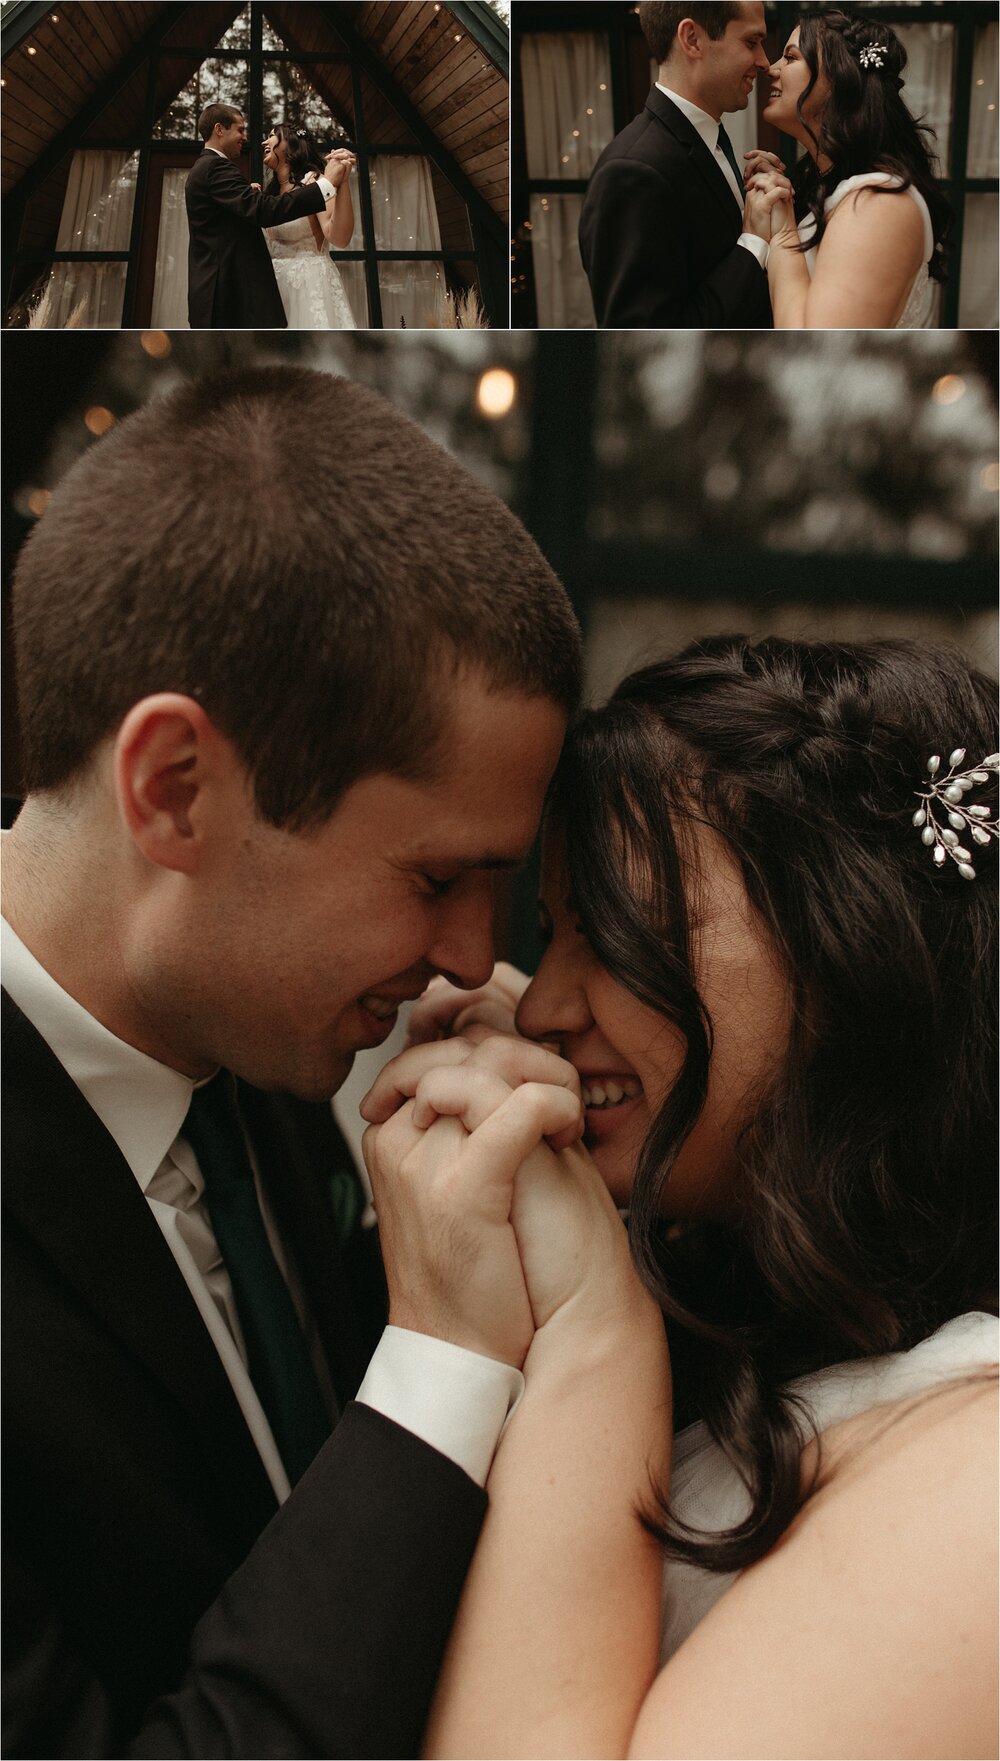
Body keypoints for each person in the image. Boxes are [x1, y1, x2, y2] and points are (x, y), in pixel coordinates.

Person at [1, 363, 588, 1757]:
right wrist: (442, 1356)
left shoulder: (254, 1064)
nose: (470, 956)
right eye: (440, 874)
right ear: (174, 789)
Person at [363, 636, 999, 1758]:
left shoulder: (979, 1483)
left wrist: (592, 1315)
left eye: (613, 930)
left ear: (852, 947)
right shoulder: (744, 1327)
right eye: (553, 932)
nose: (543, 1002)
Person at [744, 9, 951, 327]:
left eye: (790, 57)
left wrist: (783, 226)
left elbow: (814, 345)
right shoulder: (825, 185)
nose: (772, 69)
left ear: (838, 78)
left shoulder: (881, 200)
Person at [578, 3, 775, 329]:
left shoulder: (704, 140)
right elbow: (645, 336)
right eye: (751, 42)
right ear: (693, 39)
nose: (764, 61)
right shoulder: (633, 173)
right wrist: (754, 242)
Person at [184, 104, 341, 328]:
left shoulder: (208, 168)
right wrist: (325, 186)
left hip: (231, 292)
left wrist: (245, 199)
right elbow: (264, 211)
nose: (245, 137)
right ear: (219, 129)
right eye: (240, 130)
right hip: (223, 295)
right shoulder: (215, 168)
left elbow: (235, 222)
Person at [263, 124, 358, 330]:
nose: (264, 142)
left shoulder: (314, 183)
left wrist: (342, 184)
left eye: (271, 136)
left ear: (290, 144)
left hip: (309, 287)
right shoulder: (269, 194)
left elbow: (339, 237)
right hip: (275, 291)